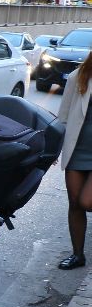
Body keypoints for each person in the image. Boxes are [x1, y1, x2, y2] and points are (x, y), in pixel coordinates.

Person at [57, 57, 92, 269]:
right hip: (77, 149)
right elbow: (64, 116)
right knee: (75, 203)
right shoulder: (79, 76)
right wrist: (53, 148)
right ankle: (77, 255)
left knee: (87, 201)